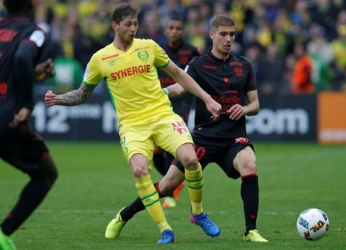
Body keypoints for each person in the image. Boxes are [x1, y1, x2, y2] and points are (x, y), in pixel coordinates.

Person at [44, 2, 221, 245]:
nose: (133, 28)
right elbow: (83, 94)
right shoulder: (100, 59)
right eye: (128, 24)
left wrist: (208, 99)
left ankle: (198, 212)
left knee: (190, 158)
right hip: (132, 125)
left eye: (136, 23)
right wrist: (58, 99)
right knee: (139, 170)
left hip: (162, 115)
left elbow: (179, 74)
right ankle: (165, 230)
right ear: (115, 26)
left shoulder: (149, 47)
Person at [105, 14, 269, 243]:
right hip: (203, 137)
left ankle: (250, 231)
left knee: (249, 163)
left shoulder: (244, 65)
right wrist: (153, 96)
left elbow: (256, 105)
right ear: (212, 35)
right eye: (223, 34)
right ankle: (123, 216)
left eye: (232, 34)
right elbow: (178, 88)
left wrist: (245, 108)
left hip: (234, 136)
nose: (228, 39)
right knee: (166, 185)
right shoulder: (199, 64)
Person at [0, 0, 58, 250]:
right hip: (7, 116)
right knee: (46, 174)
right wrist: (27, 105)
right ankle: (4, 233)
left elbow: (11, 67)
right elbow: (23, 55)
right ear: (32, 5)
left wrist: (32, 73)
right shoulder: (34, 31)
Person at [154, 14, 202, 208]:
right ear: (165, 30)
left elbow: (198, 75)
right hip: (158, 103)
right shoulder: (155, 50)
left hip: (181, 103)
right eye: (171, 28)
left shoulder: (192, 52)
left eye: (178, 28)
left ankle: (171, 195)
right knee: (156, 151)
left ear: (183, 31)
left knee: (171, 149)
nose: (174, 32)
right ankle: (172, 183)